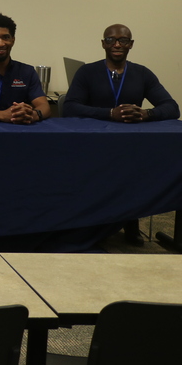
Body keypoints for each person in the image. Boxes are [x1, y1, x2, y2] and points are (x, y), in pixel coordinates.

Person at [63, 23, 179, 246]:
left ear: (131, 44)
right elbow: (70, 107)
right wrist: (109, 113)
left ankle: (130, 222)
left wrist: (147, 113)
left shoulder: (142, 74)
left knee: (131, 174)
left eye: (123, 40)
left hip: (131, 146)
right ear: (103, 44)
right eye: (110, 40)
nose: (116, 44)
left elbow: (172, 108)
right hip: (94, 144)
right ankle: (92, 225)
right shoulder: (87, 72)